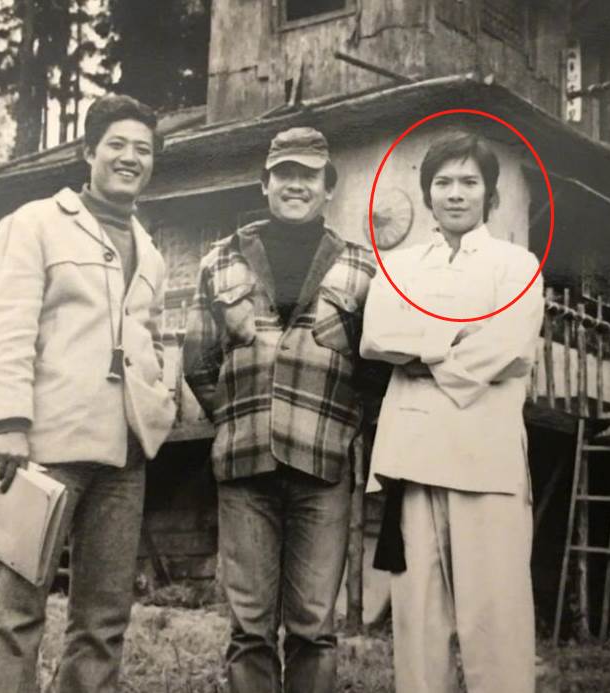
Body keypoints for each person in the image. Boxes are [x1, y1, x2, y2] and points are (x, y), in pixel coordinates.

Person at [0, 94, 175, 693]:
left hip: (122, 455)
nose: (130, 158)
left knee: (104, 620)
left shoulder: (151, 252)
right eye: (117, 145)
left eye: (143, 150)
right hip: (43, 447)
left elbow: (150, 339)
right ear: (88, 152)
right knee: (16, 609)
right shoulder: (35, 223)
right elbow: (6, 322)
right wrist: (9, 420)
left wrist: (159, 400)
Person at [183, 126, 378, 693]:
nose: (296, 184)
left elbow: (374, 370)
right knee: (249, 628)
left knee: (314, 627)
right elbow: (197, 362)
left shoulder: (362, 268)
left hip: (324, 468)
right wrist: (237, 420)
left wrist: (341, 427)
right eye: (284, 174)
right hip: (244, 467)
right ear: (264, 184)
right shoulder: (219, 261)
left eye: (308, 175)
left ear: (328, 187)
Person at [360, 130, 544, 693]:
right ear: (428, 193)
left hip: (486, 459)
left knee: (495, 620)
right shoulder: (400, 266)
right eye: (443, 182)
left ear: (489, 193)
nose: (456, 194)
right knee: (418, 622)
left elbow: (510, 347)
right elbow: (377, 336)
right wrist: (459, 340)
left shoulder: (517, 265)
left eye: (469, 182)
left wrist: (423, 353)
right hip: (413, 456)